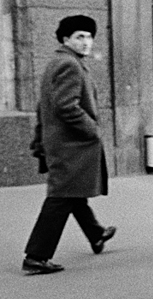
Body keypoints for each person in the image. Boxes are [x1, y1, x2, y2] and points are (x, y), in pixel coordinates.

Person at [22, 15, 116, 275]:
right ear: (66, 39)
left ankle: (96, 234)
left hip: (63, 144)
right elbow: (66, 106)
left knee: (73, 192)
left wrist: (40, 137)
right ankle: (36, 256)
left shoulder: (59, 61)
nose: (87, 42)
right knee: (61, 197)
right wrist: (93, 130)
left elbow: (44, 105)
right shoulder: (69, 65)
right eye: (79, 37)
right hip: (71, 145)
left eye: (89, 36)